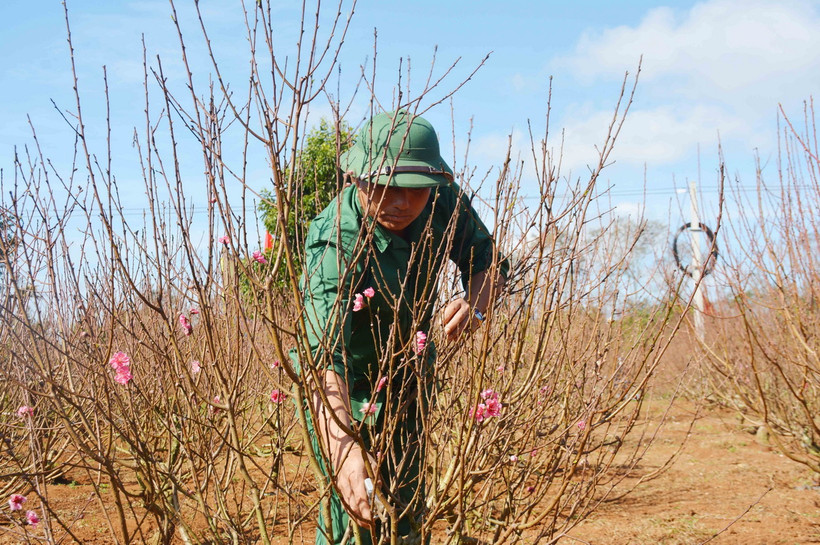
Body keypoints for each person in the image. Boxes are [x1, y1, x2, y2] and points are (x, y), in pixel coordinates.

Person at [295, 109, 508, 544]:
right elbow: (324, 362)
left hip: (410, 378)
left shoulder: (438, 197)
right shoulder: (335, 244)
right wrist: (344, 451)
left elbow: (490, 263)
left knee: (405, 513)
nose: (403, 202)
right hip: (346, 394)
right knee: (352, 518)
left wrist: (476, 304)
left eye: (416, 189)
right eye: (386, 186)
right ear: (356, 178)